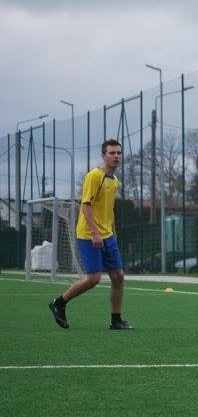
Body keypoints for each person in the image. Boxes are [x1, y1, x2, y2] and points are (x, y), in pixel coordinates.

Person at [49, 139, 132, 330]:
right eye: (112, 153)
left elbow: (109, 209)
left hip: (108, 235)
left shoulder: (115, 181)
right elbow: (85, 206)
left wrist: (113, 232)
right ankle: (59, 303)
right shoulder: (94, 176)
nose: (116, 156)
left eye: (119, 153)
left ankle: (116, 320)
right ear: (103, 155)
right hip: (89, 234)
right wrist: (95, 233)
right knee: (94, 278)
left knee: (118, 276)